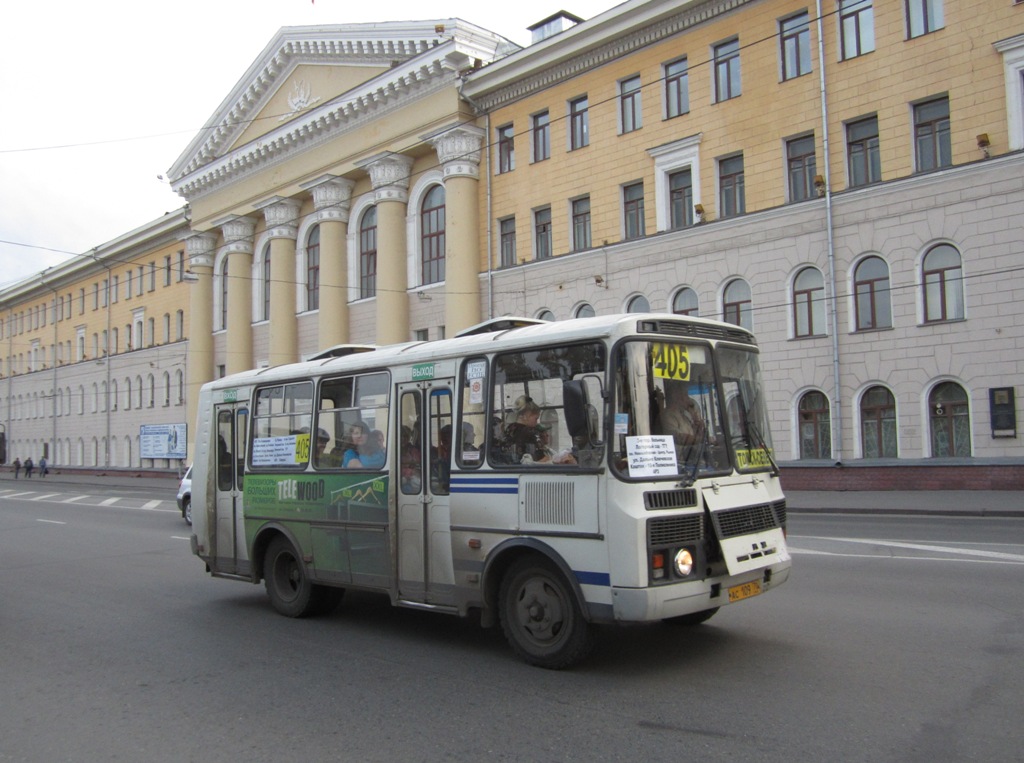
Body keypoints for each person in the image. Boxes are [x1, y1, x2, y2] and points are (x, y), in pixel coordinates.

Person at [500, 396, 575, 465]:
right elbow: (541, 458)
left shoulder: (510, 428)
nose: (537, 422)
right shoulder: (530, 432)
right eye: (536, 418)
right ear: (527, 415)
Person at [656, 384, 706, 457]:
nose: (688, 399)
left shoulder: (684, 415)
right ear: (677, 397)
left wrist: (698, 427)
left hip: (692, 458)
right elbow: (678, 437)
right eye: (685, 395)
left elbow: (694, 437)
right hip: (679, 460)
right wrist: (701, 440)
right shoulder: (667, 415)